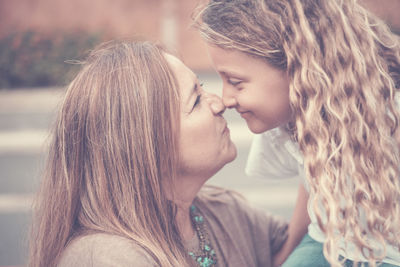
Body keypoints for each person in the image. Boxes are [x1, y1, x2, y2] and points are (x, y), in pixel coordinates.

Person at [28, 41, 288, 267]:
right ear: (146, 143)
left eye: (201, 87)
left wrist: (314, 159)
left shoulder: (223, 212)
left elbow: (310, 243)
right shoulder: (106, 257)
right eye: (196, 100)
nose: (220, 103)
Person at [194, 0, 400, 266]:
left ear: (300, 68)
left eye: (235, 82)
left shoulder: (389, 114)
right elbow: (315, 181)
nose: (226, 99)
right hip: (328, 241)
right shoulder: (289, 120)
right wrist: (288, 251)